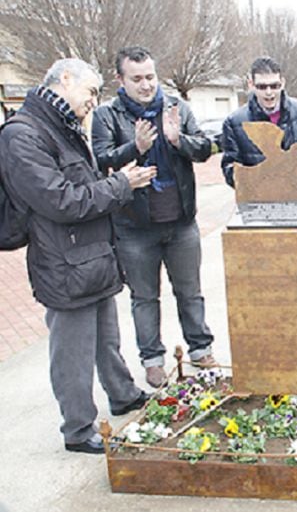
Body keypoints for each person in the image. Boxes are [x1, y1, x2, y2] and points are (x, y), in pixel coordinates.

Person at [0, 59, 156, 453]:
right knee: (72, 351)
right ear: (64, 80)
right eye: (90, 92)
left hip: (92, 254)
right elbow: (60, 201)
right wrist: (121, 184)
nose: (93, 101)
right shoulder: (24, 135)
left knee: (107, 339)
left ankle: (123, 395)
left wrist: (115, 180)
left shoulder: (62, 125)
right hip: (64, 261)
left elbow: (81, 184)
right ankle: (78, 428)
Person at [92, 46, 216, 388]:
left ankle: (200, 348)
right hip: (134, 227)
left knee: (190, 292)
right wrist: (136, 148)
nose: (146, 85)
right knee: (144, 298)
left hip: (181, 222)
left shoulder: (177, 107)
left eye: (150, 77)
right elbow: (100, 161)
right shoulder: (107, 115)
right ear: (121, 79)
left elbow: (206, 149)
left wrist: (178, 140)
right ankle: (153, 360)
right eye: (137, 79)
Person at [220, 55, 297, 353]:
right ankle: (275, 329)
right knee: (269, 275)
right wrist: (250, 183)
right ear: (251, 85)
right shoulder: (235, 122)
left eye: (274, 85)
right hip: (260, 211)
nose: (269, 92)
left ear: (283, 82)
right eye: (262, 86)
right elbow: (230, 165)